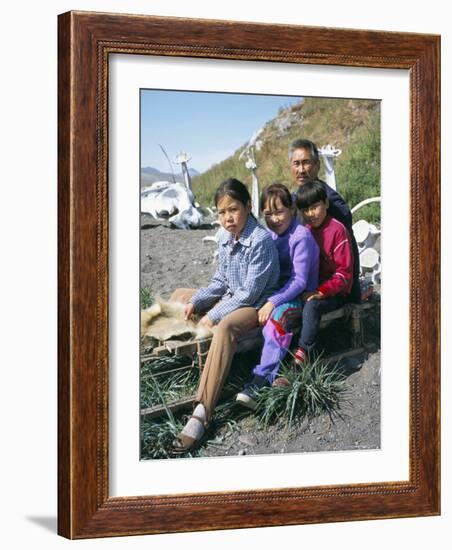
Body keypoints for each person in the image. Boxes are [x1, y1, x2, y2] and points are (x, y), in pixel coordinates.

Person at [171, 178, 280, 452]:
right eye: (221, 212)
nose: (227, 218)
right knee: (180, 296)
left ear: (248, 206)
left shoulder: (260, 240)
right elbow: (220, 280)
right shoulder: (224, 237)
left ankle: (202, 411)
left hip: (256, 307)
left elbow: (249, 294)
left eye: (233, 209)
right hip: (232, 297)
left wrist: (214, 314)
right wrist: (196, 302)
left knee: (225, 326)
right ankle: (185, 342)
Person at [235, 183, 319, 410]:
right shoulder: (269, 236)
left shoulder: (300, 236)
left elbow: (300, 281)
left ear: (292, 209)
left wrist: (273, 302)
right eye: (268, 214)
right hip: (275, 290)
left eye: (279, 211)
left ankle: (262, 379)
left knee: (277, 320)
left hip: (298, 296)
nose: (274, 219)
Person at [289, 138, 361, 303]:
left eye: (306, 163)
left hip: (331, 286)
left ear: (317, 165)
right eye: (296, 163)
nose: (301, 169)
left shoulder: (332, 202)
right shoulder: (294, 199)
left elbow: (348, 250)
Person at [292, 179, 354, 364]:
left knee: (312, 306)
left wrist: (321, 292)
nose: (310, 214)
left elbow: (344, 274)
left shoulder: (337, 230)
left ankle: (303, 351)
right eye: (305, 210)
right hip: (312, 287)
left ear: (326, 203)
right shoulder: (305, 231)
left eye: (315, 207)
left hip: (335, 292)